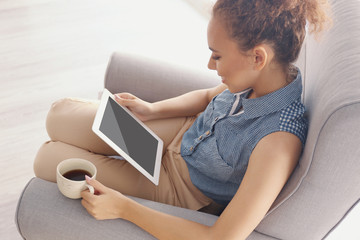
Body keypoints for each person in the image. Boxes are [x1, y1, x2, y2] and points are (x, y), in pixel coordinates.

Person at [34, 0, 331, 239]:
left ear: (257, 57)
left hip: (177, 186)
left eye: (217, 56)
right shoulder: (258, 78)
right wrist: (152, 109)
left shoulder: (278, 141)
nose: (209, 65)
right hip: (177, 135)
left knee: (48, 158)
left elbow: (223, 237)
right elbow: (206, 98)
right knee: (58, 116)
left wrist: (124, 208)